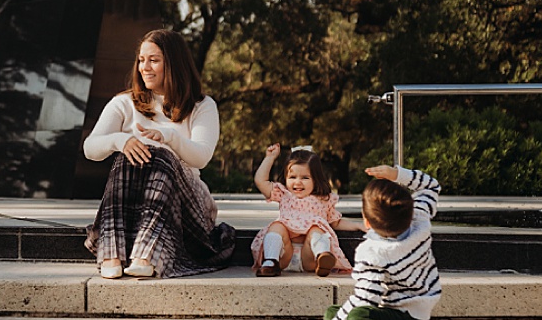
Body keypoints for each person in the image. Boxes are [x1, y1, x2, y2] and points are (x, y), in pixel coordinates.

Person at [82, 29, 236, 280]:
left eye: (154, 60)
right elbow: (91, 149)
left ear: (173, 63)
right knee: (126, 154)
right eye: (141, 60)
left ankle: (146, 255)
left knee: (161, 157)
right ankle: (112, 254)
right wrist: (122, 140)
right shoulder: (125, 103)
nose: (145, 67)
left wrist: (169, 138)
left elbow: (201, 157)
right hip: (136, 207)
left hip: (189, 211)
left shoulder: (202, 105)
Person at [318, 165, 441, 320]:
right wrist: (396, 174)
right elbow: (431, 185)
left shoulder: (372, 252)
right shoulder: (420, 218)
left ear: (366, 221)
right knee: (334, 313)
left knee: (354, 317)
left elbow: (366, 299)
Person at [250, 144, 350, 277]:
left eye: (305, 178)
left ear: (316, 179)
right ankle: (271, 262)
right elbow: (260, 181)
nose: (298, 182)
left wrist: (361, 225)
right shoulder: (283, 193)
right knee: (277, 226)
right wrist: (270, 158)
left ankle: (323, 256)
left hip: (308, 256)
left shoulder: (323, 199)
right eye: (292, 177)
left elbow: (336, 222)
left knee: (317, 229)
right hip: (284, 254)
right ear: (285, 177)